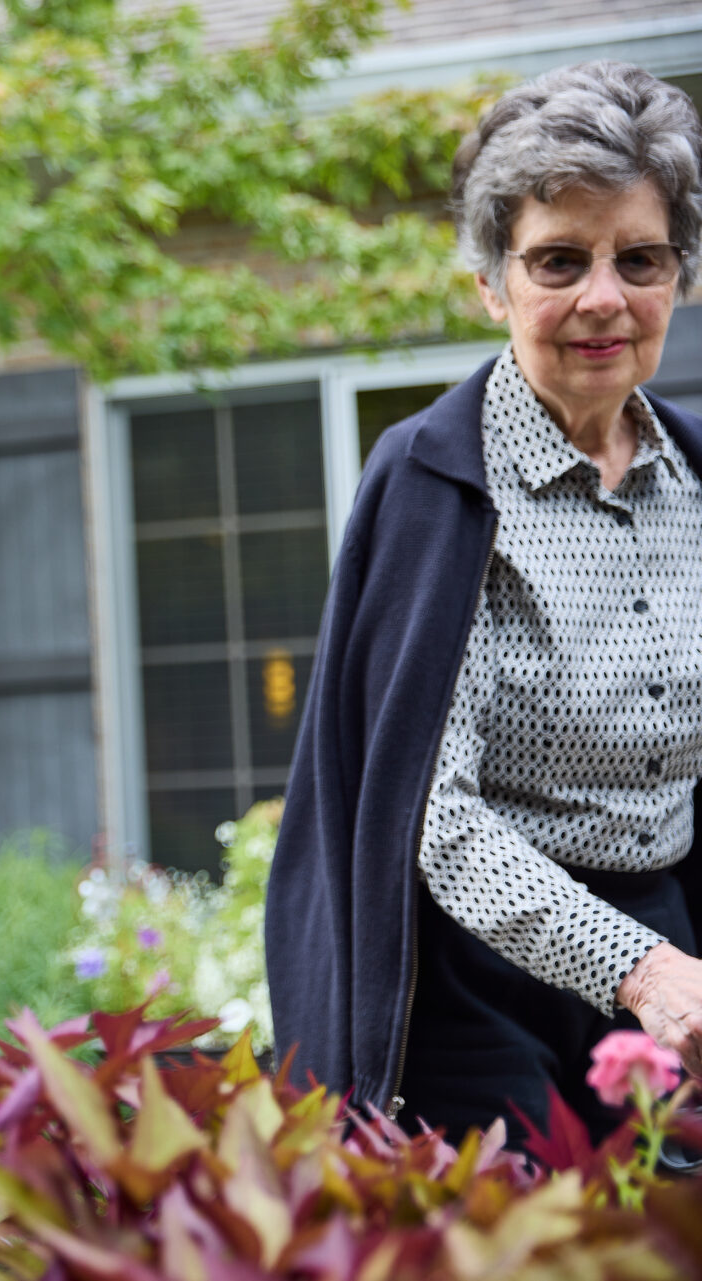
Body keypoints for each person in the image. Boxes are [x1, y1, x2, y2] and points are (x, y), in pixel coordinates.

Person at [267, 61, 702, 1141]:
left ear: (678, 278)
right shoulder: (433, 480)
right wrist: (637, 968)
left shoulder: (695, 475)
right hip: (469, 979)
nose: (603, 296)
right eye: (559, 260)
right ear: (491, 285)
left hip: (669, 928)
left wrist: (665, 960)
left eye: (638, 259)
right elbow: (438, 816)